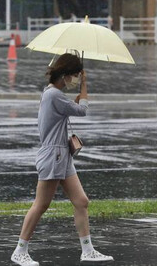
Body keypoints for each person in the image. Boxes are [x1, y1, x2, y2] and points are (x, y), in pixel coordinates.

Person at [11, 53, 114, 266]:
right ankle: (20, 251)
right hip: (53, 156)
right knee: (41, 204)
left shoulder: (53, 94)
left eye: (78, 76)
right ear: (65, 74)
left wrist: (74, 100)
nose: (76, 79)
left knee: (81, 202)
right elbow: (83, 110)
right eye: (75, 75)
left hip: (62, 155)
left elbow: (69, 111)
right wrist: (85, 85)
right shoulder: (54, 95)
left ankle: (87, 250)